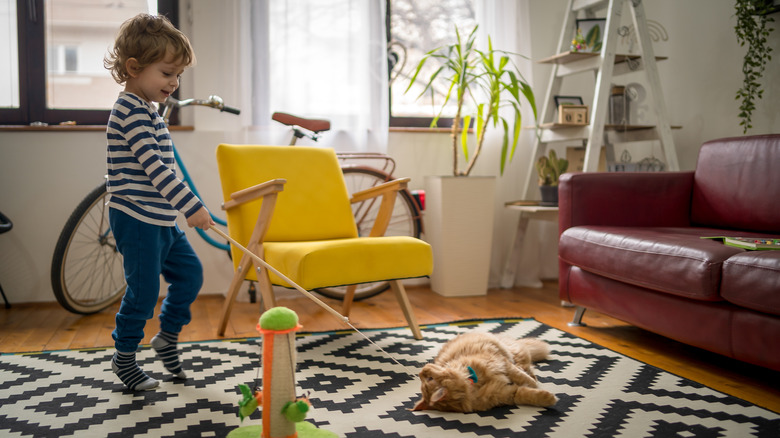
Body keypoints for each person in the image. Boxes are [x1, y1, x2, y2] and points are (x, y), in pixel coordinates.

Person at [103, 13, 214, 391]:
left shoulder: (147, 109)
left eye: (178, 74)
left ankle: (166, 337)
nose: (174, 82)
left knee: (189, 275)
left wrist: (182, 208)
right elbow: (155, 169)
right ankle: (124, 357)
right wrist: (192, 206)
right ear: (134, 68)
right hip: (137, 219)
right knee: (144, 292)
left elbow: (163, 170)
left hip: (162, 218)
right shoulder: (128, 111)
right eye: (167, 73)